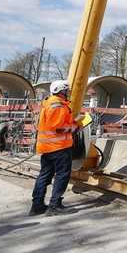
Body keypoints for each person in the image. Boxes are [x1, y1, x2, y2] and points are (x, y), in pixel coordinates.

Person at [29, 80, 82, 216]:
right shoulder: (58, 105)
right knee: (62, 175)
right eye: (67, 90)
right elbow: (58, 127)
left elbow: (56, 123)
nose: (68, 93)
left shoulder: (50, 103)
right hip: (58, 147)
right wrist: (76, 127)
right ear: (62, 91)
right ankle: (55, 205)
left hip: (47, 147)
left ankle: (37, 206)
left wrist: (73, 121)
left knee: (44, 176)